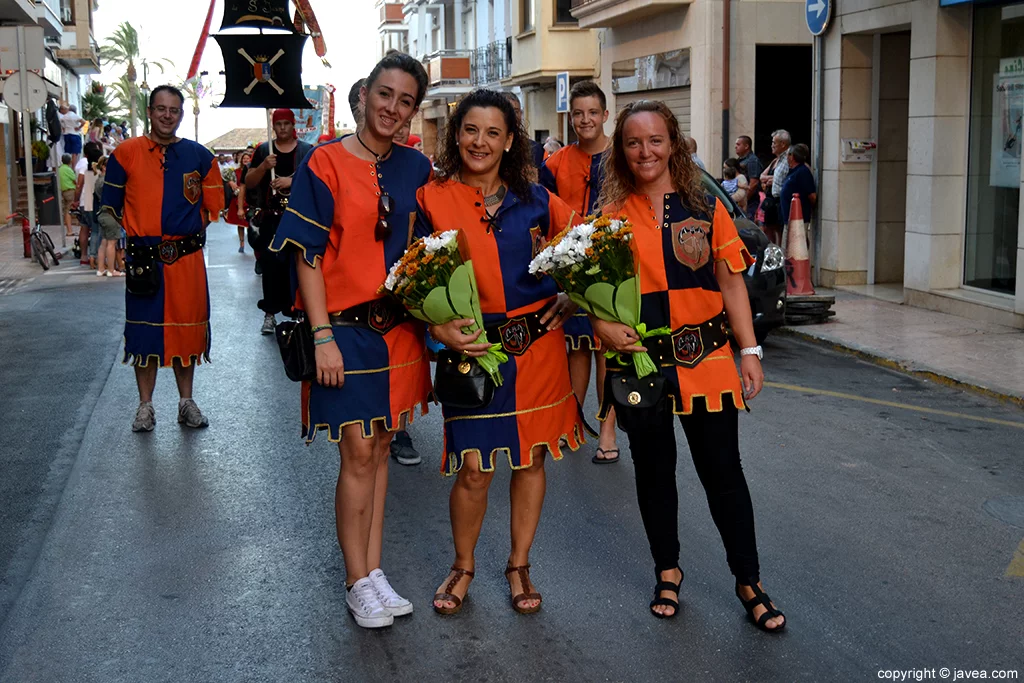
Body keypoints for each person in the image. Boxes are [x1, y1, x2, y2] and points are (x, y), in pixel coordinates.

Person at [593, 100, 785, 631]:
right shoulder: (609, 214)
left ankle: (750, 581)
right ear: (621, 150)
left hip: (708, 360)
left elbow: (730, 283)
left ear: (673, 143)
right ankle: (667, 570)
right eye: (633, 142)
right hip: (642, 365)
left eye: (655, 140)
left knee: (724, 476)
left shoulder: (704, 203)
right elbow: (593, 293)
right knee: (654, 476)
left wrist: (749, 351)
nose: (645, 151)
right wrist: (601, 326)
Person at [270, 53, 433, 630]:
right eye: (385, 95)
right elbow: (306, 256)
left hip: (400, 331)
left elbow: (431, 252)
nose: (392, 108)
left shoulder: (417, 168)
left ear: (414, 110)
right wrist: (321, 337)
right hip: (343, 329)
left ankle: (375, 570)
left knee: (383, 447)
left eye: (406, 100)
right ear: (364, 96)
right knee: (358, 452)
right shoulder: (325, 162)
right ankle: (354, 579)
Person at [416, 89, 583, 617]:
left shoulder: (537, 198)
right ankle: (463, 565)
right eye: (470, 130)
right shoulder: (431, 198)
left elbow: (590, 247)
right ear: (455, 134)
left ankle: (518, 563)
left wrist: (572, 293)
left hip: (538, 350)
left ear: (511, 140)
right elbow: (411, 277)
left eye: (493, 132)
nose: (480, 142)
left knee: (531, 460)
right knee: (473, 468)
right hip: (474, 353)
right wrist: (438, 330)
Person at [99, 85, 225, 432]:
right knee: (145, 337)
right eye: (161, 109)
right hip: (144, 262)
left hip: (186, 261)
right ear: (150, 111)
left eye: (174, 110)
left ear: (180, 114)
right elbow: (108, 208)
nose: (167, 115)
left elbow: (215, 206)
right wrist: (123, 240)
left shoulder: (201, 157)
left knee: (186, 335)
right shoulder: (125, 153)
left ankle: (186, 403)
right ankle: (145, 406)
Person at [539, 80, 620, 464]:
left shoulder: (623, 157)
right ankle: (572, 422)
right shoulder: (554, 164)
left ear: (605, 115)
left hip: (614, 267)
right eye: (578, 114)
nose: (585, 120)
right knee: (576, 349)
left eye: (592, 113)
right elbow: (541, 214)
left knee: (608, 350)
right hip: (569, 269)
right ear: (570, 118)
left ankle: (607, 430)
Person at [245, 109, 313, 335]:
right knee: (271, 267)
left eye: (286, 123)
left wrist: (290, 181)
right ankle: (270, 314)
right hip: (271, 220)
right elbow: (250, 182)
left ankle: (299, 312)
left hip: (297, 219)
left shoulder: (306, 151)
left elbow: (315, 178)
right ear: (273, 126)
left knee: (298, 266)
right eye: (279, 124)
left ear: (293, 125)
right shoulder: (265, 151)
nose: (282, 128)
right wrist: (264, 167)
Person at [760, 129, 792, 245]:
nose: (772, 145)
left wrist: (772, 180)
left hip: (781, 200)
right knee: (770, 228)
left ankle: (779, 253)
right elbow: (761, 176)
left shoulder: (789, 158)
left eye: (774, 143)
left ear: (783, 144)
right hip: (773, 200)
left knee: (780, 230)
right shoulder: (777, 160)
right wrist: (771, 179)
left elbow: (789, 178)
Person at [502, 91, 545, 171]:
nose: (513, 116)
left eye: (516, 111)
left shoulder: (534, 148)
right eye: (508, 111)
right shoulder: (489, 146)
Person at [779, 143, 817, 232]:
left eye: (788, 154)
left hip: (798, 219)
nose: (786, 157)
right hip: (789, 218)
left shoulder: (803, 171)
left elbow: (812, 196)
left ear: (792, 156)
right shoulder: (793, 171)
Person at [225, 148, 252, 254]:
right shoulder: (235, 172)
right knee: (240, 223)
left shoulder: (253, 171)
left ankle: (253, 243)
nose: (246, 160)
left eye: (248, 158)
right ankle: (241, 243)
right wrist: (231, 184)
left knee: (251, 223)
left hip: (250, 200)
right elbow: (230, 182)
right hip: (239, 200)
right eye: (244, 158)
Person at [734, 135, 762, 221]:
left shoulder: (752, 160)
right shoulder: (740, 160)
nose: (735, 147)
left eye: (738, 144)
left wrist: (743, 200)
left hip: (749, 203)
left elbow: (753, 183)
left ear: (746, 146)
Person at [58, 154, 77, 237]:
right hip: (70, 191)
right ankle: (70, 230)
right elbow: (75, 180)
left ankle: (69, 229)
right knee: (70, 211)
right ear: (70, 161)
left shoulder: (59, 169)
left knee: (66, 210)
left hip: (63, 191)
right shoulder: (68, 169)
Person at [60, 103, 84, 167]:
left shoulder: (64, 116)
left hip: (67, 135)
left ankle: (67, 166)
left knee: (68, 152)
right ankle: (73, 168)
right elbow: (83, 122)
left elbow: (61, 123)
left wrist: (63, 127)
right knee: (74, 153)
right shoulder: (75, 116)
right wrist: (79, 127)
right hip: (75, 134)